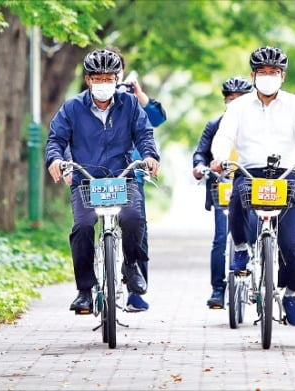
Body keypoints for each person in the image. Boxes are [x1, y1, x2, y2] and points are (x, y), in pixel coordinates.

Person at [210, 46, 295, 326]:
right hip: (251, 170)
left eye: (274, 72)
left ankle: (290, 294)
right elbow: (225, 135)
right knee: (235, 197)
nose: (268, 76)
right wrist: (220, 159)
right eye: (263, 72)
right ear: (253, 75)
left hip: (286, 174)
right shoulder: (238, 106)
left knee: (290, 243)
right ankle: (242, 249)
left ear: (283, 76)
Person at [45, 49, 160, 314]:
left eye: (109, 78)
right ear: (88, 80)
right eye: (98, 78)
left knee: (134, 218)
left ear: (117, 78)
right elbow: (56, 139)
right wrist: (55, 159)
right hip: (86, 180)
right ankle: (85, 290)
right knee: (83, 226)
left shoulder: (129, 104)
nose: (103, 83)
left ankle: (131, 266)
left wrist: (150, 156)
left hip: (123, 176)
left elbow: (145, 134)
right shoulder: (72, 107)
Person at [109, 46, 167, 312]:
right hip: (97, 171)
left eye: (115, 68)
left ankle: (136, 290)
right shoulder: (87, 100)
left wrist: (139, 94)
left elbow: (155, 120)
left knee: (137, 227)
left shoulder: (132, 99)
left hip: (131, 172)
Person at [192, 76, 253, 309]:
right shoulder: (215, 125)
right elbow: (201, 153)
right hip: (223, 185)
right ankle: (218, 289)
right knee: (220, 239)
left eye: (239, 98)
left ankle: (258, 274)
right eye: (230, 98)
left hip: (252, 185)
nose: (234, 102)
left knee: (256, 232)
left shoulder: (259, 126)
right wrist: (199, 166)